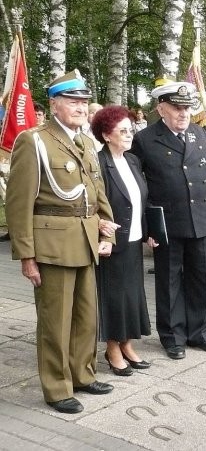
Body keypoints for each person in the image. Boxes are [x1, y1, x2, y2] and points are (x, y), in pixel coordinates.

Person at [5, 69, 117, 414]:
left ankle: (82, 374)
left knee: (86, 317)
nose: (80, 107)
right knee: (55, 321)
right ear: (54, 104)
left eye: (84, 101)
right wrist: (26, 255)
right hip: (52, 245)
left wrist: (107, 228)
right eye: (72, 101)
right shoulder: (34, 141)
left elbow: (97, 190)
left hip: (85, 240)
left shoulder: (86, 141)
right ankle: (56, 387)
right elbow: (18, 203)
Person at [131, 81, 206, 360]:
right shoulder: (145, 139)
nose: (183, 113)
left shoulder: (198, 133)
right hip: (167, 222)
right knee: (169, 280)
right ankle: (173, 337)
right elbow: (137, 186)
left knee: (201, 278)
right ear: (161, 109)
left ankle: (201, 333)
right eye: (176, 108)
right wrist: (149, 226)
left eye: (187, 108)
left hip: (200, 218)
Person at [92, 105, 153, 376]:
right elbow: (95, 205)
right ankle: (112, 348)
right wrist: (103, 235)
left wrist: (150, 231)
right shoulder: (98, 163)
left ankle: (127, 344)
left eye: (130, 130)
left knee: (131, 294)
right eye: (123, 131)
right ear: (106, 135)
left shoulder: (132, 160)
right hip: (112, 240)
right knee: (113, 296)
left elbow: (141, 200)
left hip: (134, 237)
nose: (130, 135)